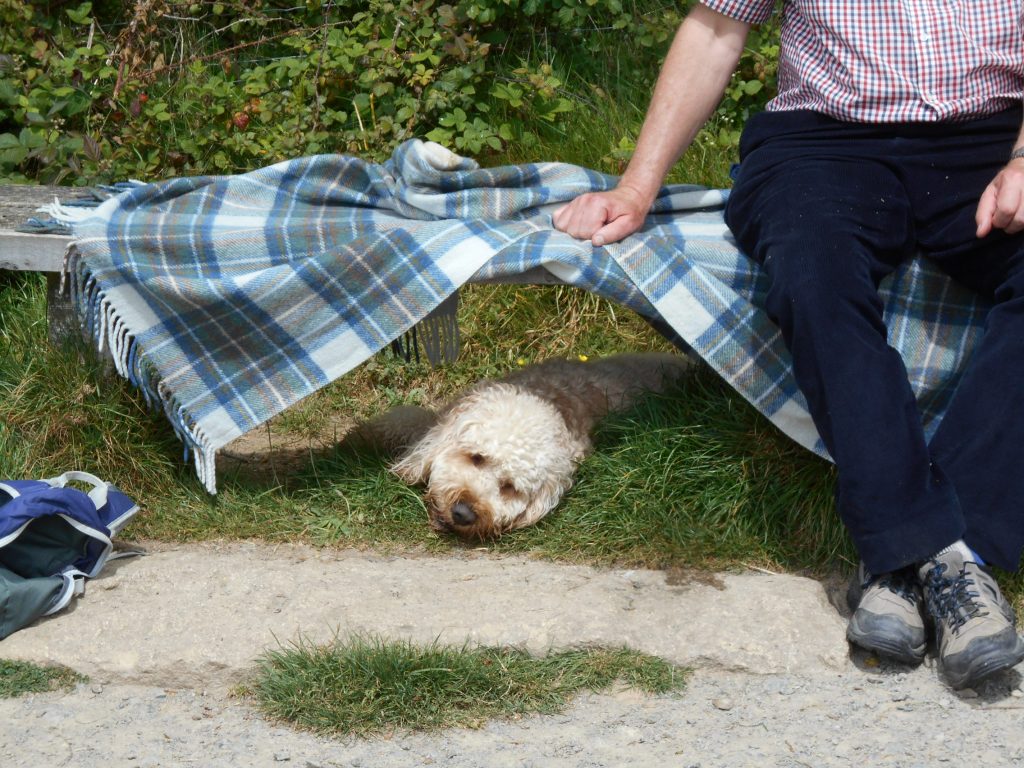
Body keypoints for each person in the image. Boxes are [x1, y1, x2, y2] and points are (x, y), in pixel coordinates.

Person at [553, 0, 1024, 690]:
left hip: (992, 142)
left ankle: (950, 553)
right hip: (822, 145)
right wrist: (635, 186)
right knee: (814, 275)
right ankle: (929, 554)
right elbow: (716, 29)